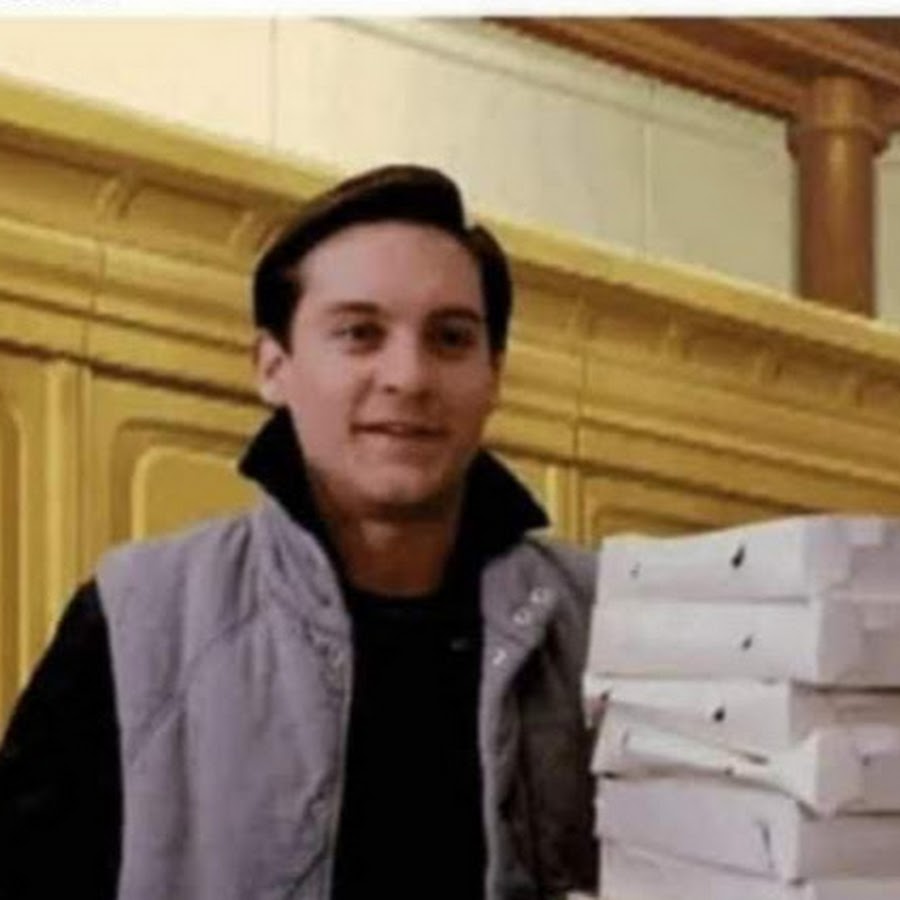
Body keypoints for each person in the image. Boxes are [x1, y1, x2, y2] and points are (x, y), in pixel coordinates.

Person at [0, 165, 596, 899]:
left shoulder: (599, 624)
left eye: (450, 338)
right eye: (359, 333)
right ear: (272, 367)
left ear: (493, 375)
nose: (409, 376)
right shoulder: (137, 619)